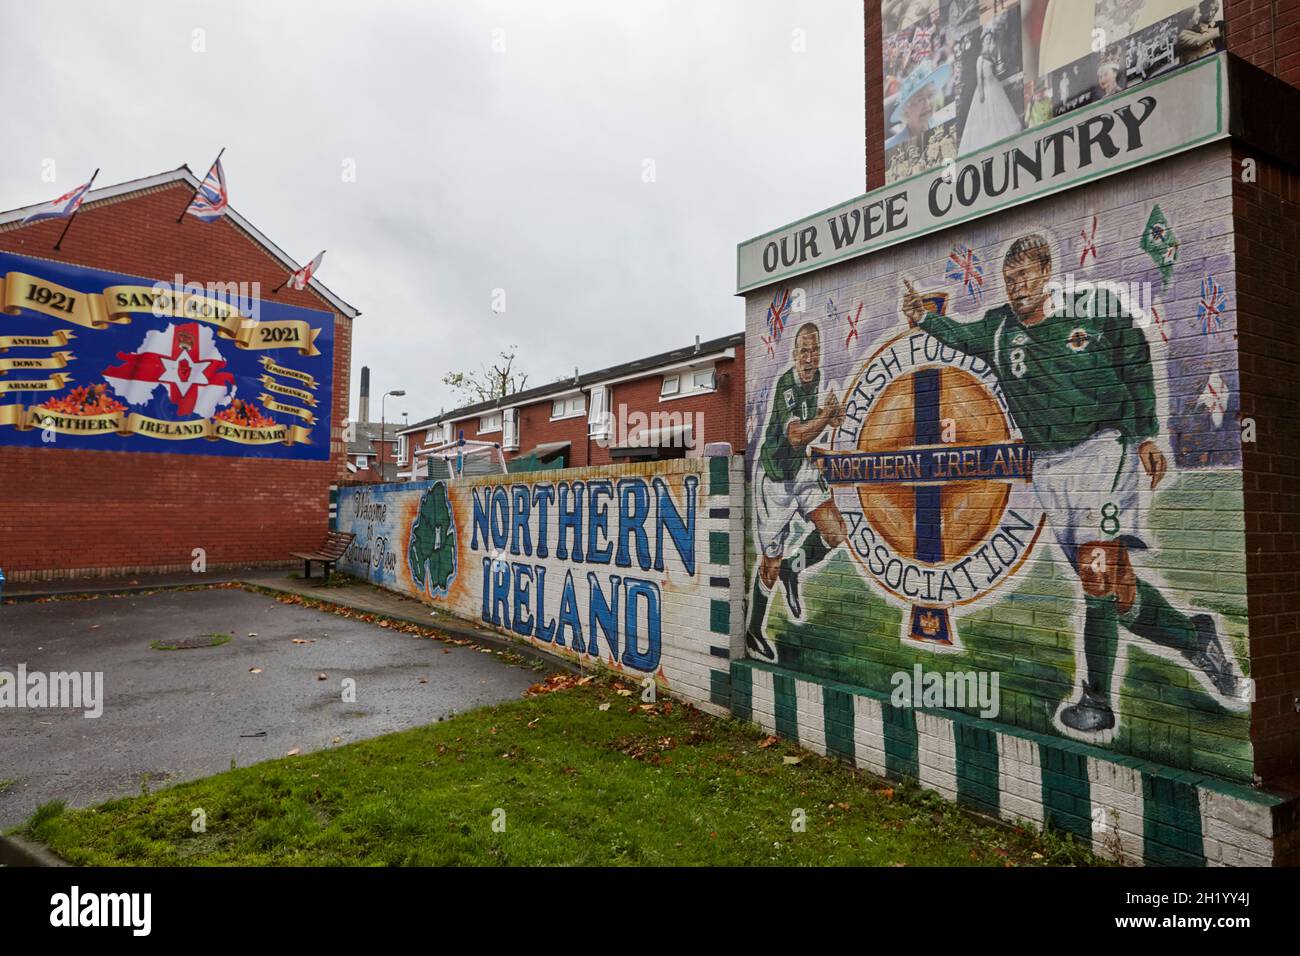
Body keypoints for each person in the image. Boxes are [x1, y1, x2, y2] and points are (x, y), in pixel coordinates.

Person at [901, 235, 1240, 733]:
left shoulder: (1092, 309)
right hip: (1048, 466)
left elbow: (1135, 355)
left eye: (1025, 275)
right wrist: (924, 317)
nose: (1017, 286)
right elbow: (961, 335)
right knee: (1118, 593)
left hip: (1105, 451)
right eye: (1009, 278)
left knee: (1096, 575)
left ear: (1046, 270)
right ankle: (1196, 638)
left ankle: (1096, 701)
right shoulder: (1000, 328)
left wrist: (1144, 432)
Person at [747, 323, 848, 661]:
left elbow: (816, 425)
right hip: (774, 477)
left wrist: (833, 417)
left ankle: (795, 569)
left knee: (834, 532)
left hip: (799, 468)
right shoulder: (786, 386)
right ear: (794, 355)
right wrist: (824, 418)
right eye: (803, 351)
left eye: (814, 349)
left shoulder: (817, 379)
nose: (809, 357)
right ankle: (754, 631)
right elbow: (795, 435)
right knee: (770, 562)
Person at [959, 28, 1023, 154]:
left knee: (998, 111)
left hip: (993, 84)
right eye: (986, 40)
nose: (988, 42)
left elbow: (994, 71)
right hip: (985, 87)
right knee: (985, 113)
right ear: (983, 42)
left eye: (990, 40)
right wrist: (981, 92)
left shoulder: (991, 56)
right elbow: (979, 76)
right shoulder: (980, 58)